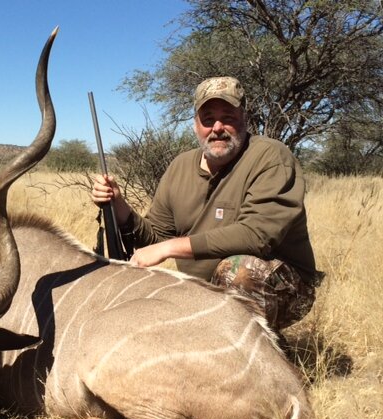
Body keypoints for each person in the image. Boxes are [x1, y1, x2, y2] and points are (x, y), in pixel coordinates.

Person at [91, 76, 320, 331]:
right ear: (195, 126)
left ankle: (254, 350)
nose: (218, 127)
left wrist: (170, 248)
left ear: (244, 120)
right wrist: (119, 205)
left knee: (240, 271)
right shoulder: (180, 165)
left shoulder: (270, 156)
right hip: (204, 288)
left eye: (229, 117)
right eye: (208, 119)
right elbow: (154, 240)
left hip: (284, 286)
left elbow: (257, 235)